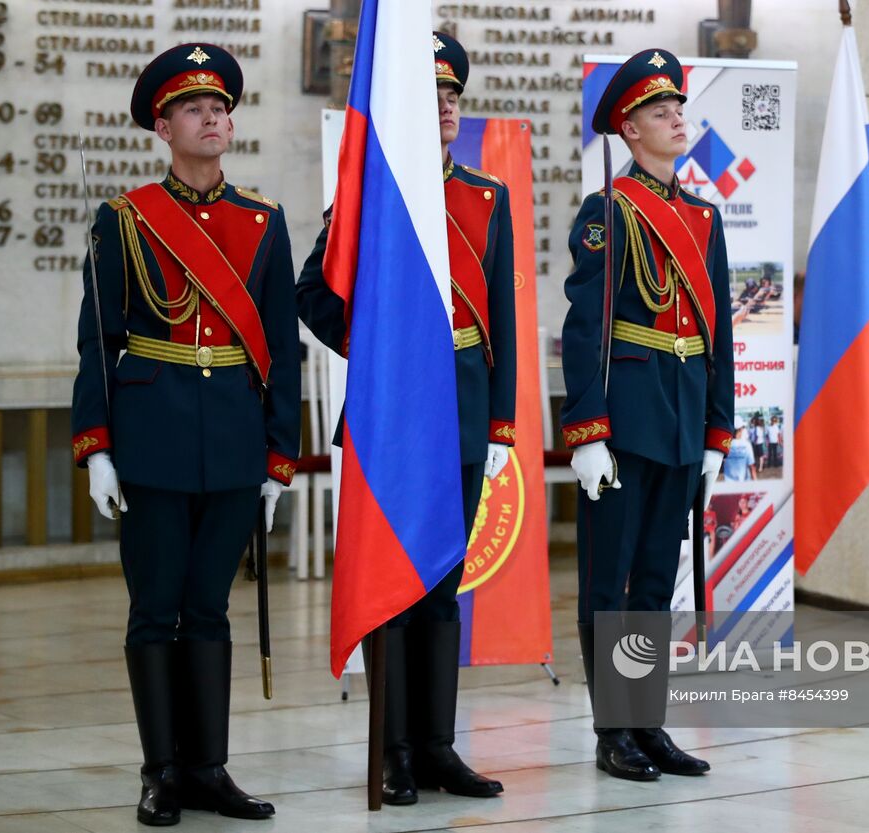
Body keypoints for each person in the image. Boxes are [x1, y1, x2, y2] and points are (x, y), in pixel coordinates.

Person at [70, 43, 299, 826]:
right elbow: (97, 341)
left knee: (209, 607)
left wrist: (280, 454)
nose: (215, 117)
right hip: (153, 436)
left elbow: (281, 346)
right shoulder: (124, 221)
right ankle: (159, 770)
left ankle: (209, 768)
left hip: (234, 437)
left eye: (222, 106)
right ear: (163, 127)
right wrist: (95, 444)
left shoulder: (263, 222)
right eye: (196, 108)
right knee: (154, 607)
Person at [295, 31, 514, 806]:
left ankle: (436, 746)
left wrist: (502, 427)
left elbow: (505, 325)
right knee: (395, 586)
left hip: (460, 413)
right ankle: (390, 748)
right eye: (433, 96)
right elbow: (313, 293)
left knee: (443, 588)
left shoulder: (487, 199)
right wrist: (381, 348)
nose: (448, 109)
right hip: (392, 419)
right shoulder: (372, 196)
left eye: (454, 96)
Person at [561, 48, 734, 782]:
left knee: (657, 578)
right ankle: (613, 732)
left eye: (678, 108)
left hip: (681, 414)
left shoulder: (704, 214)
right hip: (626, 416)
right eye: (661, 112)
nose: (677, 119)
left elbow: (719, 325)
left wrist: (719, 426)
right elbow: (586, 327)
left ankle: (647, 721)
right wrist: (588, 430)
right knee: (612, 579)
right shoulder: (609, 211)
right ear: (629, 129)